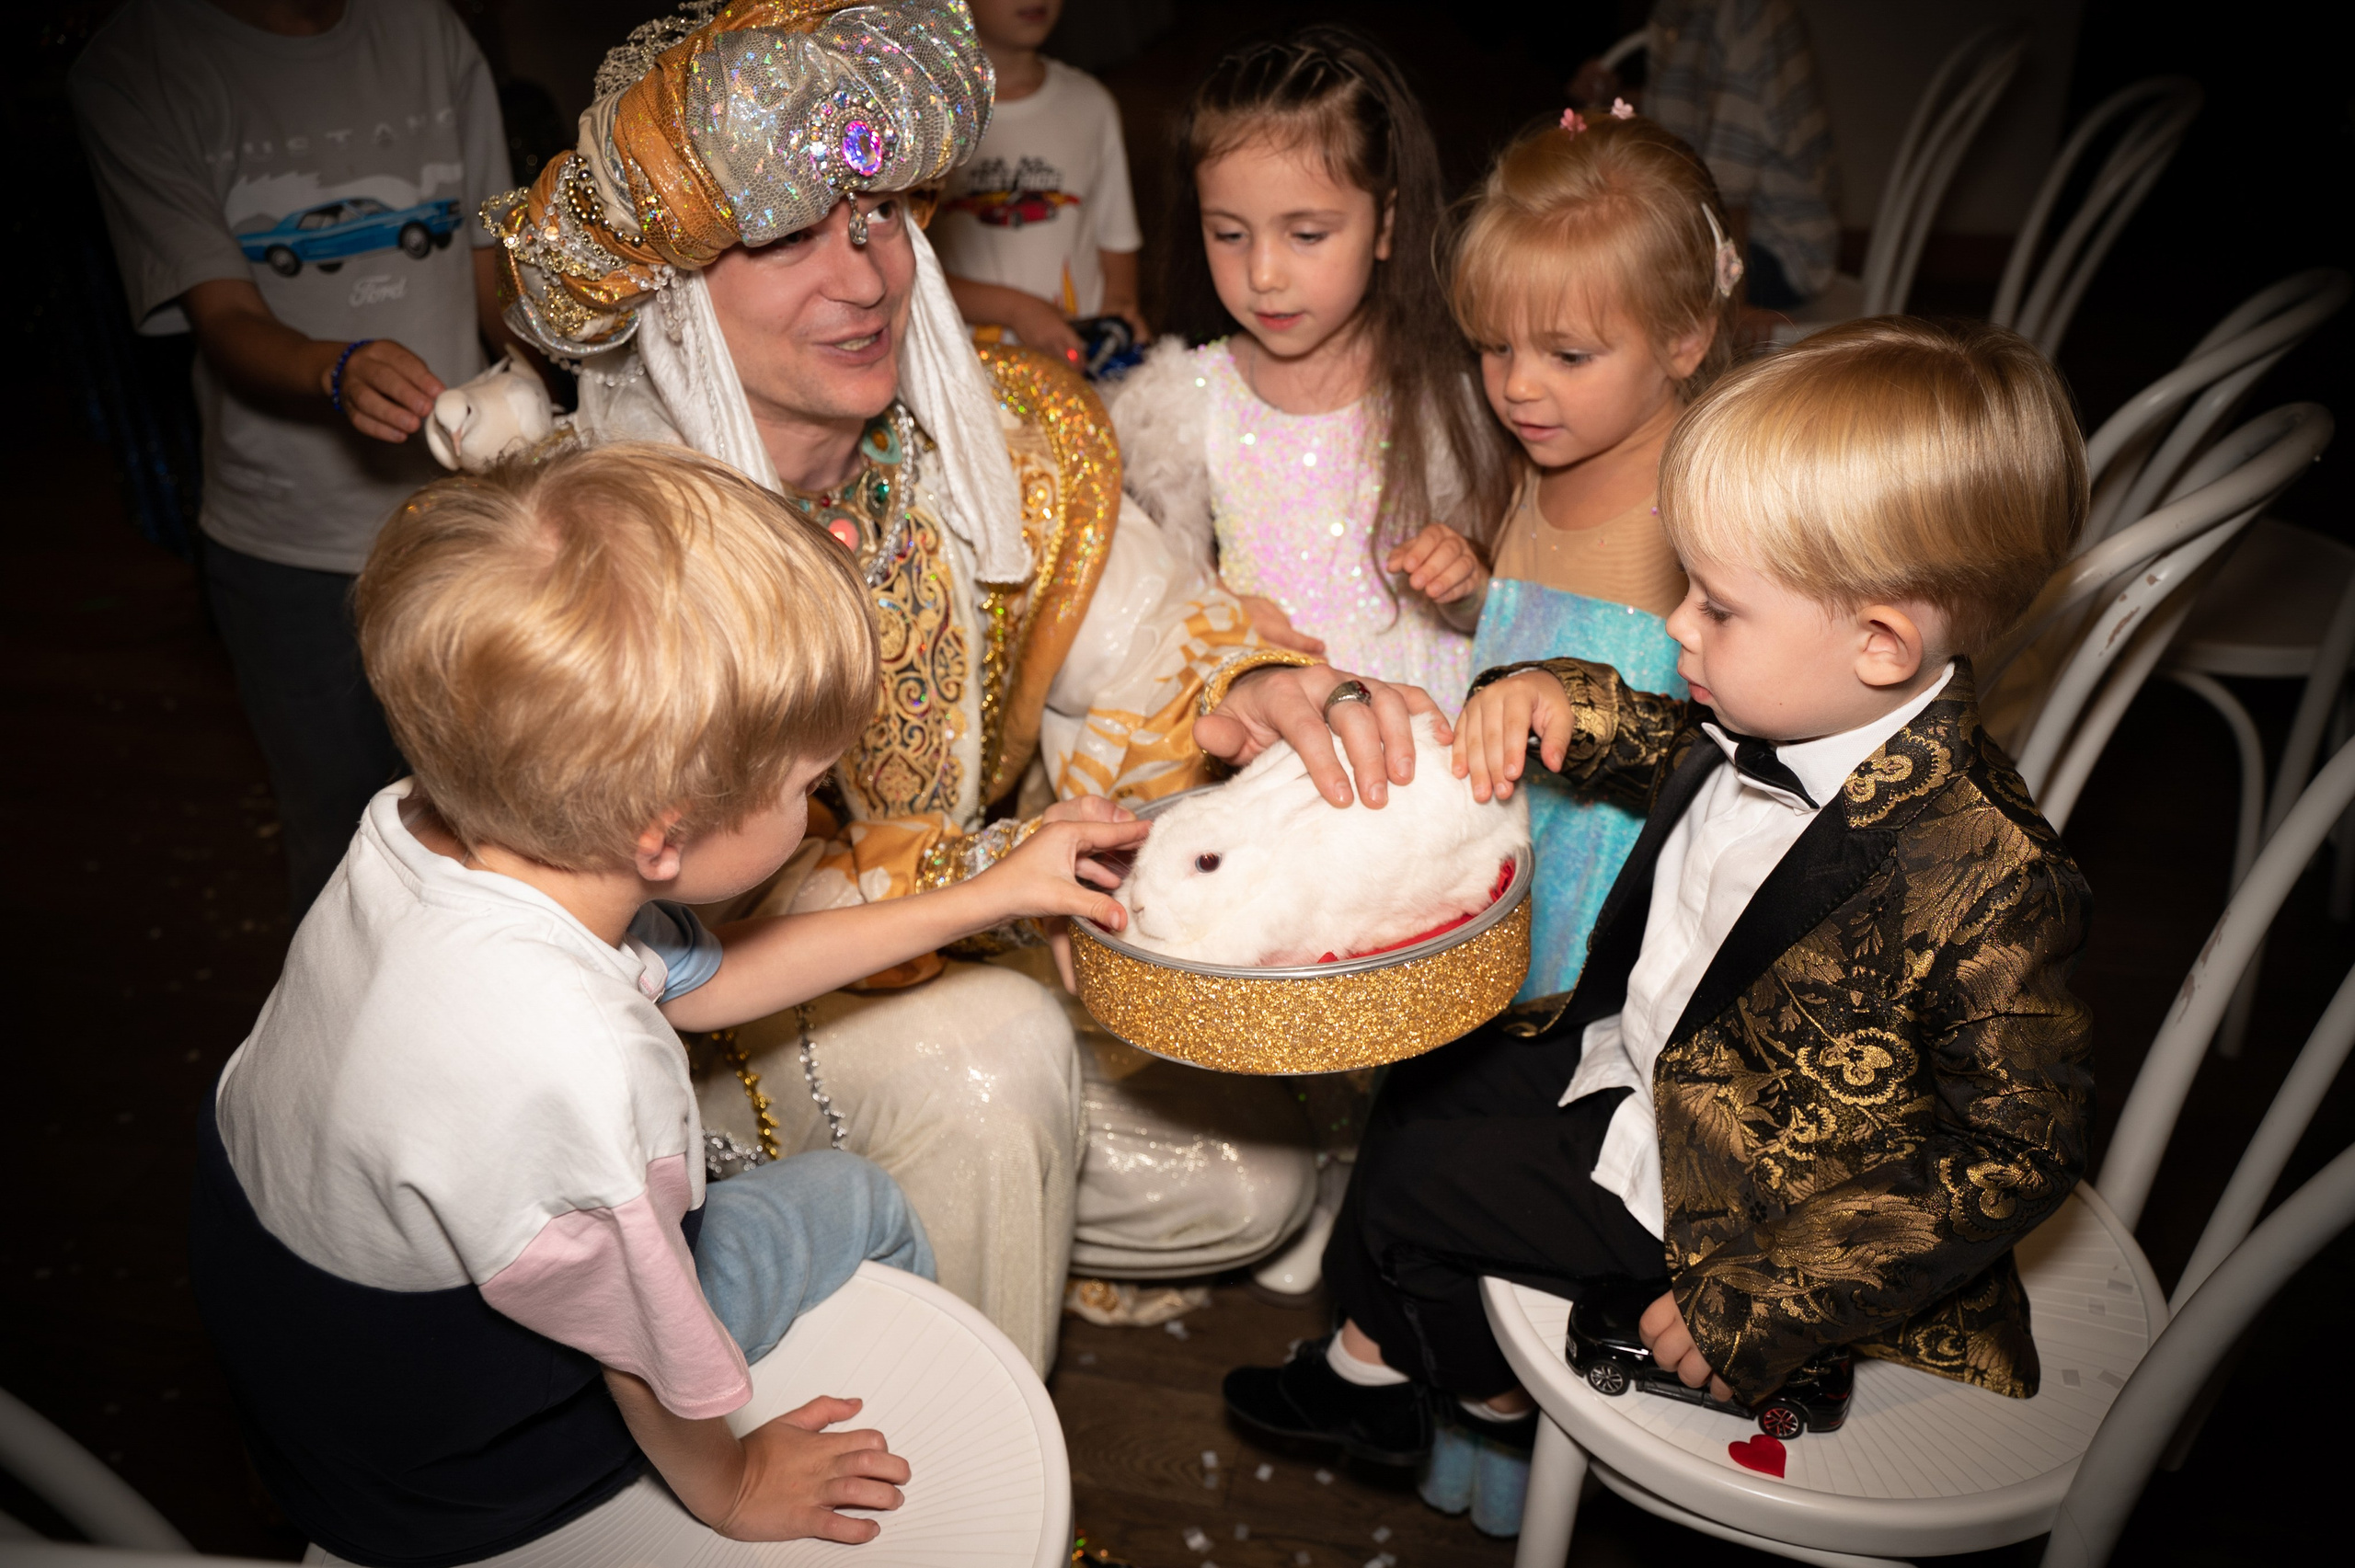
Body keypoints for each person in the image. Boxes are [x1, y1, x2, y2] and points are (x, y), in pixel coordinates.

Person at [477, 0, 1444, 1375]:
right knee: (991, 1060)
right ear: (677, 286)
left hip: (962, 937)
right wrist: (1003, 875)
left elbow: (1159, 623)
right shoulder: (610, 546)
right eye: (789, 235)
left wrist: (1279, 684)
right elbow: (700, 903)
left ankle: (837, 1251)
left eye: (879, 218)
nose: (866, 278)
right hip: (693, 1032)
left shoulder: (998, 446)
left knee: (1251, 1187)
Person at [190, 441, 1154, 1563]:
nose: (820, 799)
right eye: (807, 786)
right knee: (854, 1197)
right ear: (664, 837)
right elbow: (642, 1353)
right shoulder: (581, 1063)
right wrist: (735, 1479)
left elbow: (716, 983)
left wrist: (985, 893)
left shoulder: (423, 826)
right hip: (457, 1465)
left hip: (299, 1362)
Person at [1221, 319, 2094, 1542]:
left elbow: (2018, 1147)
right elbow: (1681, 745)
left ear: (1882, 642)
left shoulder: (1991, 873)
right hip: (1631, 1065)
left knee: (1422, 1186)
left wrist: (1780, 1289)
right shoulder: (1799, 698)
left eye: (1718, 607)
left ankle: (1479, 1386)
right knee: (1419, 1088)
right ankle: (1383, 1373)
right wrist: (1559, 698)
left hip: (1744, 1200)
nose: (1677, 625)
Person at [69, 0, 525, 917]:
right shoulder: (138, 64)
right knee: (346, 847)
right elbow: (227, 320)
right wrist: (338, 368)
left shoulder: (426, 30)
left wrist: (574, 365)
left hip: (472, 530)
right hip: (294, 550)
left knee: (507, 822)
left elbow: (489, 273)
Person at [1111, 26, 1517, 703]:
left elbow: (1506, 614)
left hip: (1431, 735)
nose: (1264, 273)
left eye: (1306, 235)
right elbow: (1139, 605)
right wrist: (1211, 613)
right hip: (1277, 741)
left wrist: (1468, 585)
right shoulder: (1185, 402)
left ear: (1385, 225)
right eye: (1230, 234)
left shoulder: (1453, 398)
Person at [1449, 107, 1740, 1015]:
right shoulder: (1541, 460)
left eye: (1567, 355)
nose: (1519, 385)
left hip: (1624, 941)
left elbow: (1731, 755)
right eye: (1496, 346)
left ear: (1683, 339)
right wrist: (1471, 591)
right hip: (1506, 876)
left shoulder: (1705, 511)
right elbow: (1530, 631)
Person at [1570, 0, 1838, 313]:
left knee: (1623, 268)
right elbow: (1677, 125)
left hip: (1777, 247)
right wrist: (1613, 98)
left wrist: (1727, 314)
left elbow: (1729, 187)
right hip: (1708, 219)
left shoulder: (1750, 16)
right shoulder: (1673, 12)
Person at [934, 0, 1147, 359]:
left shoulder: (1091, 105)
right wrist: (1018, 310)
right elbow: (911, 272)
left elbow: (1117, 244)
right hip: (969, 369)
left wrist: (1118, 316)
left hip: (1075, 365)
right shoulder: (931, 115)